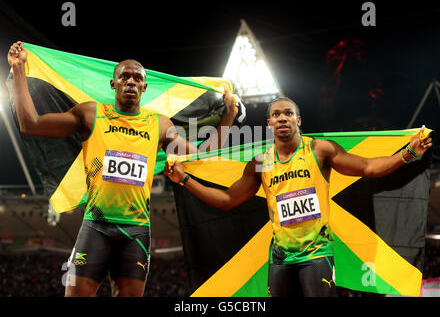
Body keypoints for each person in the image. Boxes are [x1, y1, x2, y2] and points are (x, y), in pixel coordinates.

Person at [7, 41, 239, 297]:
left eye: (137, 78)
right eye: (124, 77)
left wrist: (228, 116)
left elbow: (203, 157)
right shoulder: (91, 114)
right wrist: (18, 70)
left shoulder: (159, 125)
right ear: (113, 84)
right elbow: (32, 124)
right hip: (95, 226)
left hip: (136, 231)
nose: (131, 81)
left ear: (144, 87)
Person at [164, 96, 433, 297]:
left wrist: (408, 152)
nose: (282, 118)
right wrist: (185, 180)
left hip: (318, 254)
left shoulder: (319, 150)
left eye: (288, 113)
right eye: (276, 114)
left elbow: (368, 168)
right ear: (268, 123)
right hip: (280, 260)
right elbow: (227, 200)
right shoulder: (260, 163)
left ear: (298, 120)